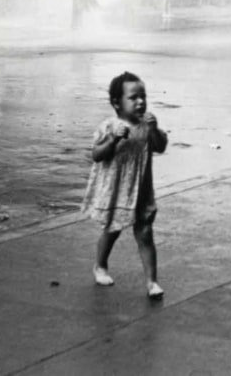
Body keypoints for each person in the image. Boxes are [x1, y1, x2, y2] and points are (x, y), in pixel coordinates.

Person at [81, 71, 168, 299]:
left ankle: (152, 282)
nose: (140, 102)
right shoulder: (109, 127)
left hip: (141, 190)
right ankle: (100, 265)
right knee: (112, 230)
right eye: (133, 97)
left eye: (143, 96)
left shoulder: (146, 126)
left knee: (145, 233)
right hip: (116, 190)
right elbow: (97, 155)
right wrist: (113, 139)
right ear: (116, 103)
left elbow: (160, 147)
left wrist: (155, 130)